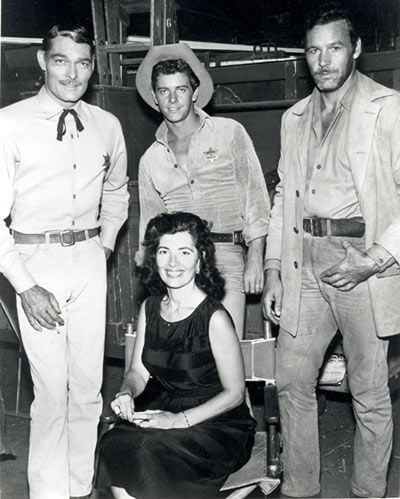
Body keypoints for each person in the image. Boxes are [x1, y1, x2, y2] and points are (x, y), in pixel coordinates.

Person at [262, 2, 400, 498]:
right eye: (313, 51)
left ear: (357, 49)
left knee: (368, 393)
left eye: (335, 48)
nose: (323, 61)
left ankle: (368, 493)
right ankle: (301, 490)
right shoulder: (293, 117)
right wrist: (274, 268)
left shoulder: (389, 109)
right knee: (291, 382)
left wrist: (377, 257)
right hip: (304, 263)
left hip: (362, 265)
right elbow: (283, 196)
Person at [0, 24, 129, 499]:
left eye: (83, 63)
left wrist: (106, 246)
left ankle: (79, 490)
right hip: (35, 264)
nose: (73, 74)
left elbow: (117, 190)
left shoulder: (105, 125)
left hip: (91, 260)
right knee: (52, 395)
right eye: (61, 60)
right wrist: (25, 284)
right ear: (42, 61)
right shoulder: (8, 124)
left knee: (89, 388)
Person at [96, 211, 256, 499]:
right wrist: (127, 393)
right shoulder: (150, 308)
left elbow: (234, 394)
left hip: (218, 424)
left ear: (200, 260)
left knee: (146, 450)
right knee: (113, 443)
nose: (173, 263)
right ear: (154, 258)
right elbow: (138, 372)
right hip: (164, 408)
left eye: (184, 252)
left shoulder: (214, 318)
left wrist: (176, 420)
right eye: (164, 251)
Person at [135, 43, 270, 338]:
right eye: (164, 91)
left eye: (181, 90)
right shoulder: (151, 159)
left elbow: (255, 200)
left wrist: (256, 259)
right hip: (178, 263)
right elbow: (151, 228)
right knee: (187, 356)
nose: (172, 100)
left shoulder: (229, 132)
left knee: (225, 349)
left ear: (194, 93)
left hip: (226, 257)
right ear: (154, 97)